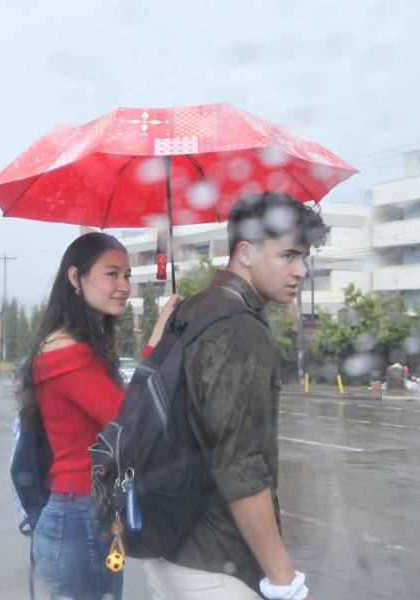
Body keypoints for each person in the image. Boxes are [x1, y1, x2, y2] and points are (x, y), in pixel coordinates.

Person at [143, 193, 324, 600]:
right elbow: (240, 468)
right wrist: (286, 583)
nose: (301, 270)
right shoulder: (240, 330)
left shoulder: (189, 310)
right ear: (245, 252)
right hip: (215, 570)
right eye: (289, 255)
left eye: (304, 258)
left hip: (166, 551)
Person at [18, 231, 177, 600]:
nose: (124, 286)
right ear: (76, 278)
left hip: (91, 516)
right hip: (77, 520)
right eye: (112, 274)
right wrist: (158, 341)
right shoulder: (65, 353)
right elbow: (128, 421)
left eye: (127, 277)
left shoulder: (81, 346)